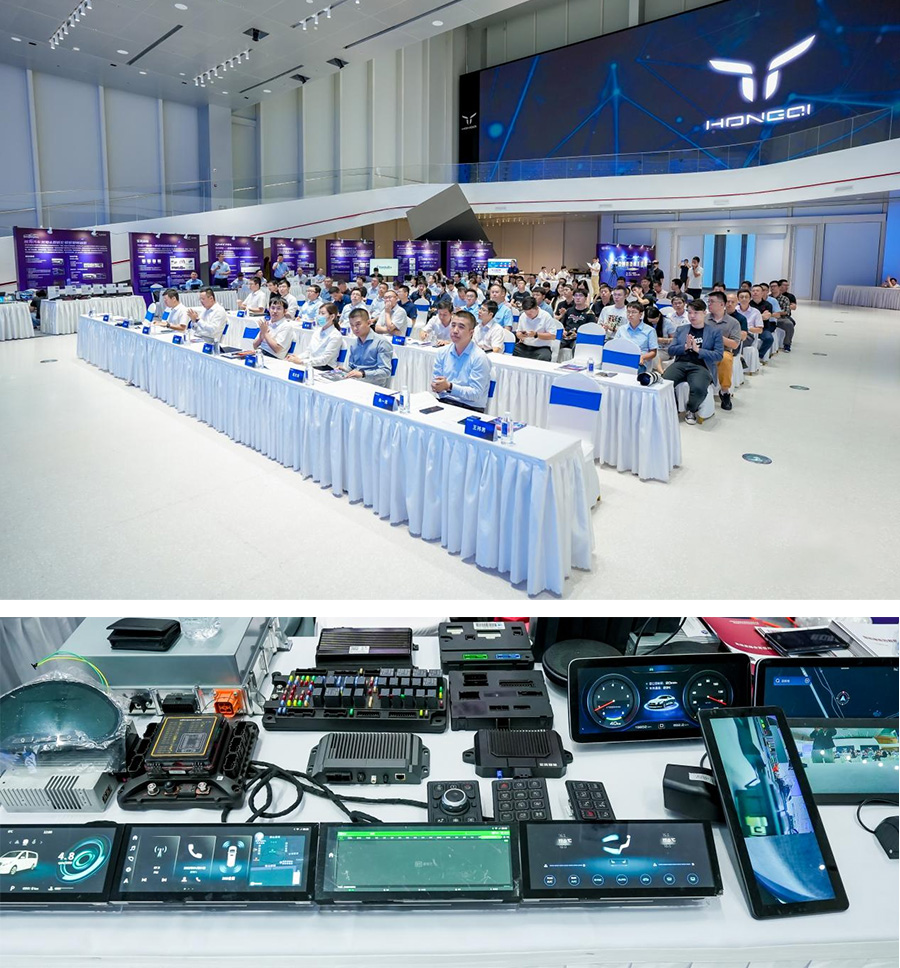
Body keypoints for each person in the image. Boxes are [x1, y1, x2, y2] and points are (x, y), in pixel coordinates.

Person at [663, 298, 724, 424]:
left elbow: (718, 355)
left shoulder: (714, 332)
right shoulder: (681, 329)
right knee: (664, 383)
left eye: (696, 313)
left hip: (701, 366)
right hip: (681, 363)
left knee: (699, 388)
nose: (692, 316)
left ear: (704, 313)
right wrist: (685, 347)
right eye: (690, 312)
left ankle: (691, 409)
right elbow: (671, 350)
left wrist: (698, 350)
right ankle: (673, 407)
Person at [430, 310, 493, 412]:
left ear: (471, 332)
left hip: (469, 407)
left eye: (461, 327)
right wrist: (437, 385)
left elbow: (476, 394)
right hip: (444, 401)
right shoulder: (442, 352)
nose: (455, 330)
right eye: (453, 325)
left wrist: (449, 387)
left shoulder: (479, 357)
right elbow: (437, 381)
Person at [704, 290, 742, 411]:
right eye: (708, 301)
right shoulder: (704, 319)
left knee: (725, 359)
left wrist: (718, 337)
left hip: (723, 350)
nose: (709, 304)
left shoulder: (733, 323)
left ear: (721, 304)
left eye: (712, 302)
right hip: (704, 348)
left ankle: (725, 392)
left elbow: (735, 344)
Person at [343, 308, 393, 387]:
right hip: (355, 383)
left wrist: (363, 374)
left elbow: (385, 371)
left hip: (373, 386)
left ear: (369, 323)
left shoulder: (381, 342)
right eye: (352, 325)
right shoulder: (354, 343)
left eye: (358, 324)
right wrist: (344, 370)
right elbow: (352, 366)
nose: (355, 328)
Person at [286, 301, 343, 370]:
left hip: (325, 368)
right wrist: (297, 358)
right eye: (319, 313)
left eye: (322, 313)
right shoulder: (317, 331)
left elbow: (324, 360)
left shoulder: (335, 335)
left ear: (332, 317)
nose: (319, 316)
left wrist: (301, 361)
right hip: (312, 364)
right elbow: (308, 352)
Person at [238, 295, 298, 360]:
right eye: (272, 308)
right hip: (259, 353)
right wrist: (262, 335)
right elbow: (255, 346)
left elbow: (277, 349)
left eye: (278, 308)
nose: (275, 311)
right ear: (269, 309)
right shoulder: (267, 323)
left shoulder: (286, 326)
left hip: (273, 358)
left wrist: (265, 333)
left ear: (285, 311)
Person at [514, 294, 557, 362]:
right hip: (525, 346)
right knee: (510, 350)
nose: (528, 315)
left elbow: (552, 336)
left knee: (544, 356)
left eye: (530, 313)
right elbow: (518, 332)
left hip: (541, 347)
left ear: (536, 308)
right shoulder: (523, 316)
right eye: (526, 313)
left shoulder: (546, 316)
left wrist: (536, 335)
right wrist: (520, 335)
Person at [618, 302, 658, 373]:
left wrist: (643, 357)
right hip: (622, 359)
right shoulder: (621, 329)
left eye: (634, 312)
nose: (630, 315)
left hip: (640, 362)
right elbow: (615, 346)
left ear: (641, 314)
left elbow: (653, 352)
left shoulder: (650, 330)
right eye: (628, 312)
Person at [560, 288, 597, 355]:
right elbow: (562, 324)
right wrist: (563, 331)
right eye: (576, 295)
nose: (578, 298)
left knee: (577, 346)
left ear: (585, 298)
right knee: (555, 343)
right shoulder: (569, 311)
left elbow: (592, 331)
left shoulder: (589, 314)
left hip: (578, 338)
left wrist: (579, 335)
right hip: (566, 336)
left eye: (580, 296)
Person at [748, 284, 776, 361]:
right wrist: (761, 316)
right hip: (750, 328)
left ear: (762, 293)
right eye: (753, 291)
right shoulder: (748, 304)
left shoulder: (768, 305)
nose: (755, 292)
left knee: (769, 339)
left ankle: (759, 356)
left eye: (757, 291)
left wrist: (754, 317)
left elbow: (766, 317)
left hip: (763, 328)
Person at [770, 280, 795, 352]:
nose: (773, 288)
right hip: (769, 318)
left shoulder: (785, 298)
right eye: (771, 286)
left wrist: (777, 313)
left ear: (779, 287)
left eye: (774, 286)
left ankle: (787, 344)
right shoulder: (768, 298)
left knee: (789, 324)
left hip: (781, 318)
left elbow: (786, 311)